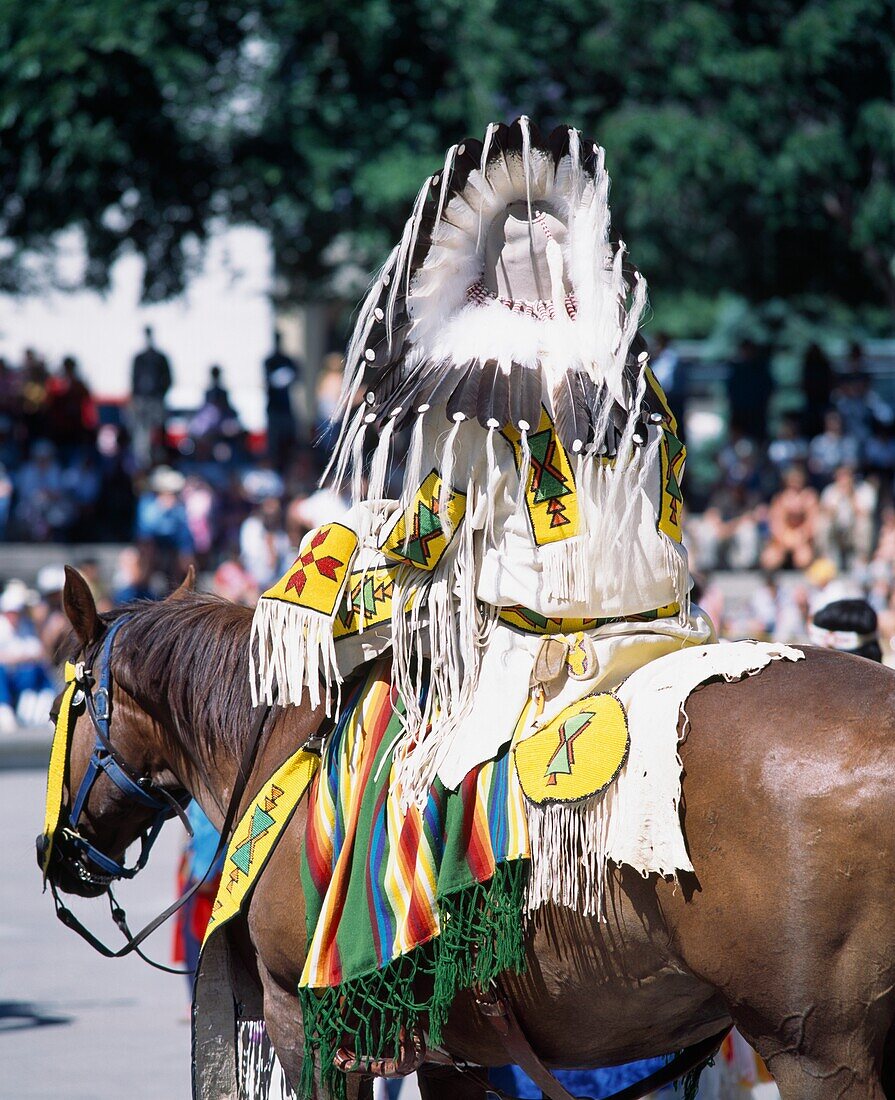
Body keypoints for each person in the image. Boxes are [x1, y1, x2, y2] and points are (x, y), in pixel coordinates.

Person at [251, 119, 715, 812]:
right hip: (663, 631)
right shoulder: (634, 385)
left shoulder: (480, 402)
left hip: (539, 650)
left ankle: (462, 914)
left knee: (409, 789)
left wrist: (353, 547)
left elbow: (434, 532)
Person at [761, 464, 819, 571]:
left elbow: (812, 522)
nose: (795, 482)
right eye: (793, 479)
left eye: (798, 479)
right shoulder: (780, 498)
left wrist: (800, 536)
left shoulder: (809, 497)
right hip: (783, 539)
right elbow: (776, 523)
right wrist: (786, 538)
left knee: (804, 558)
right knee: (769, 558)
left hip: (802, 539)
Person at [130, 325, 172, 469]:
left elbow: (168, 379)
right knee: (142, 435)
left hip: (156, 401)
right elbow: (134, 381)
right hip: (142, 403)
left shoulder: (161, 358)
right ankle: (143, 463)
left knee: (158, 434)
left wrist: (159, 396)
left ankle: (159, 462)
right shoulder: (139, 358)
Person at [263, 331, 299, 466]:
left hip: (285, 408)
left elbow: (296, 375)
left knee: (288, 442)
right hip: (274, 409)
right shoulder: (269, 361)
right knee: (274, 444)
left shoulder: (287, 360)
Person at [800, 342, 834, 438]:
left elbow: (831, 382)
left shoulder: (824, 366)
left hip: (823, 400)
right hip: (811, 402)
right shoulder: (807, 366)